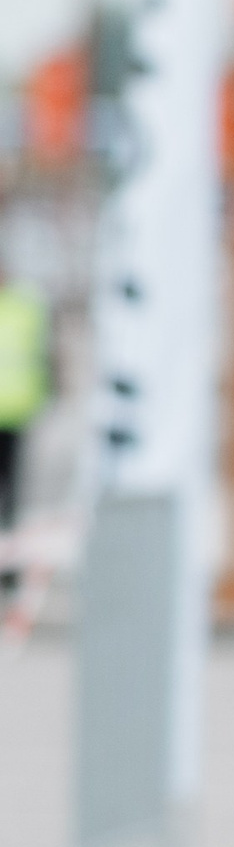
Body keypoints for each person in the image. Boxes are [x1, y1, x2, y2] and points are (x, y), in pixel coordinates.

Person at [0, 255, 51, 596]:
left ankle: (9, 568)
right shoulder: (26, 305)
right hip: (18, 409)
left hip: (16, 414)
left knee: (12, 501)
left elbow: (44, 356)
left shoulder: (26, 305)